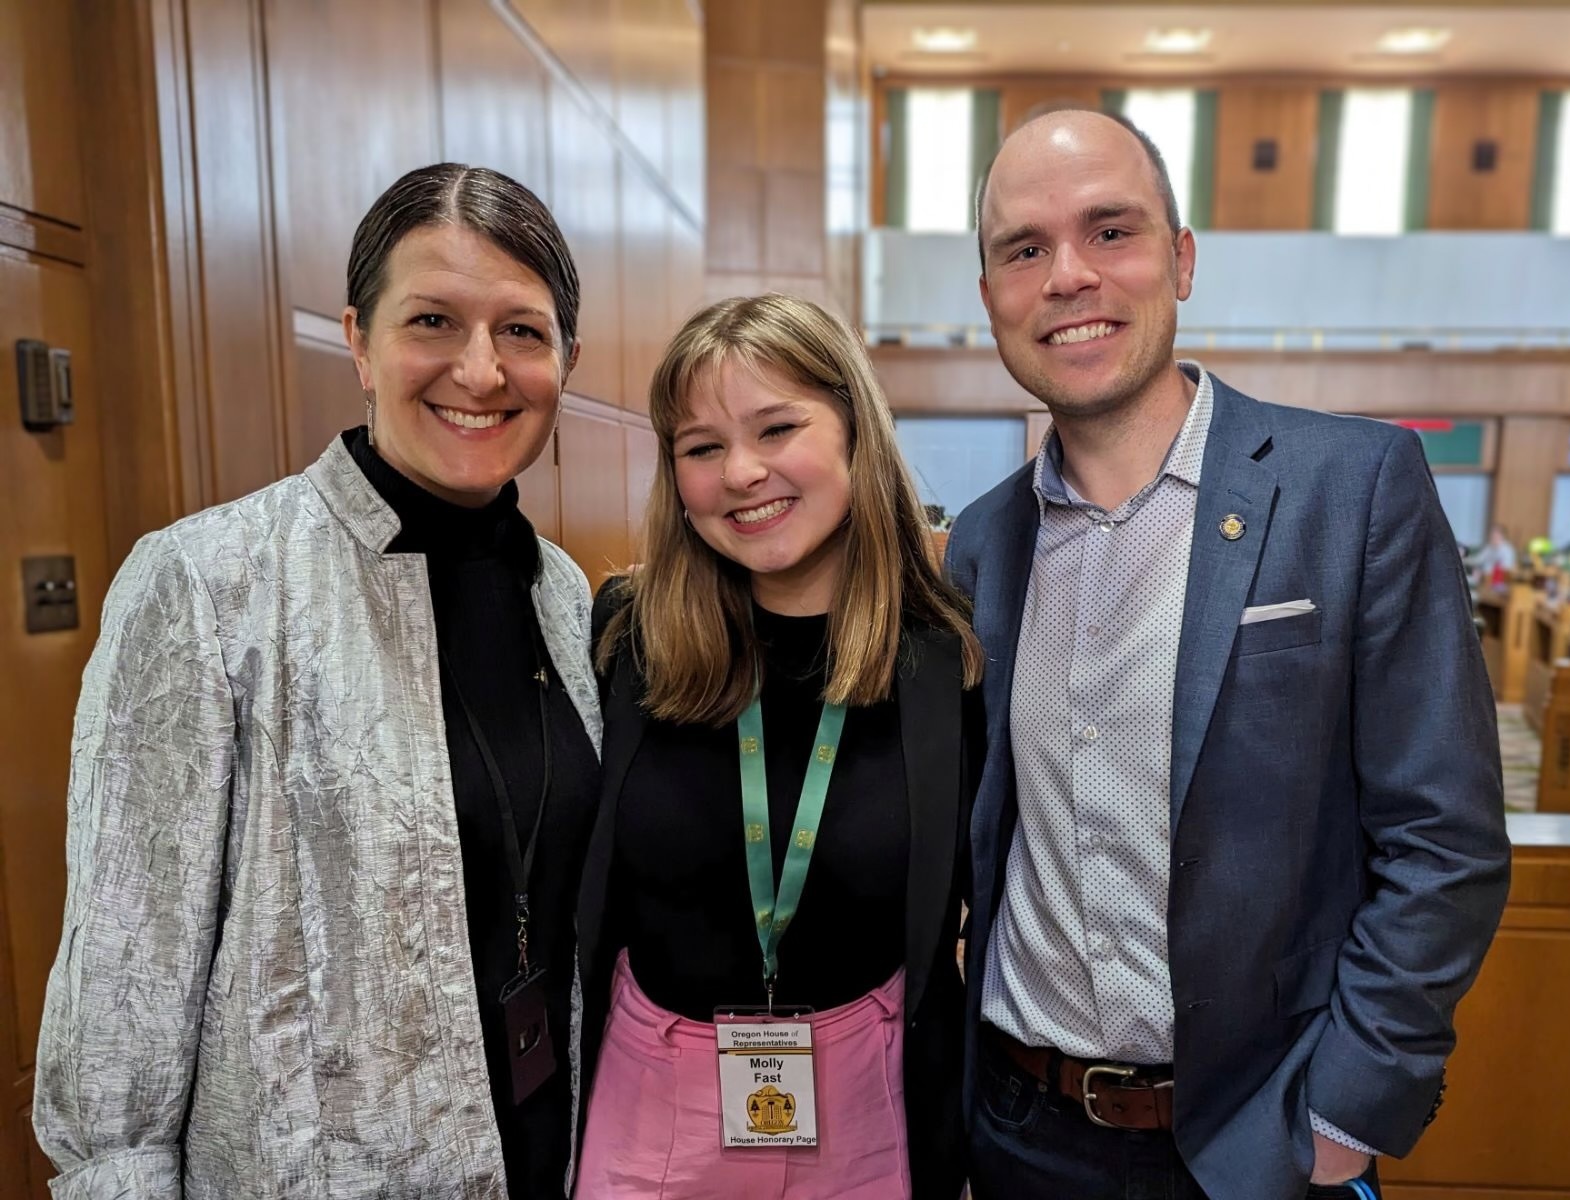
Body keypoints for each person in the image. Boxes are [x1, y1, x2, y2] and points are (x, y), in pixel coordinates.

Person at [946, 108, 1511, 1200]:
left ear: (1182, 259)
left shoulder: (1354, 489)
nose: (1068, 275)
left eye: (1111, 231)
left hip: (1263, 1139)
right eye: (1024, 249)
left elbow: (1444, 837)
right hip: (1020, 1129)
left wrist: (1346, 1109)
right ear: (990, 298)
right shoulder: (982, 543)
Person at [34, 164, 601, 1199]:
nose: (480, 370)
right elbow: (123, 991)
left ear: (566, 358)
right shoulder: (210, 583)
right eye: (432, 321)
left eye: (521, 331)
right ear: (359, 341)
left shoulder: (563, 596)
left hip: (552, 1156)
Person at [573, 293, 984, 1198]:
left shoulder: (945, 660)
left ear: (854, 431)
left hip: (869, 1098)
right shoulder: (625, 638)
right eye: (701, 447)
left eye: (777, 428)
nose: (741, 473)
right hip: (650, 1103)